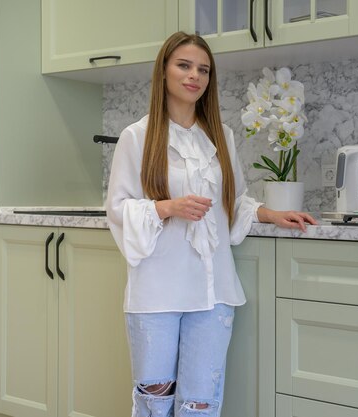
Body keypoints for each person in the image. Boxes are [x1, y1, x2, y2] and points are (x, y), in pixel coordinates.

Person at [105, 31, 317, 417]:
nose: (194, 76)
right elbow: (117, 209)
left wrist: (268, 213)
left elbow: (231, 203)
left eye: (203, 69)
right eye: (184, 65)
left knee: (200, 405)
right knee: (154, 401)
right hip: (156, 292)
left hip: (213, 292)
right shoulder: (136, 137)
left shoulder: (221, 137)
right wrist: (168, 207)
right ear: (164, 72)